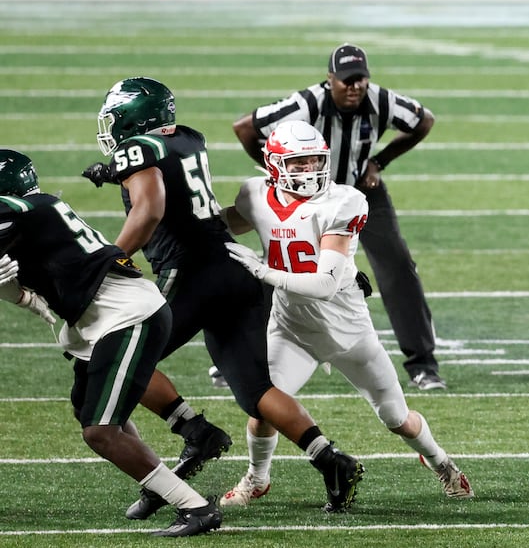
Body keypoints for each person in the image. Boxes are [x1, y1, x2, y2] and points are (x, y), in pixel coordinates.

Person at [88, 76, 365, 515]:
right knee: (256, 389)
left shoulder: (136, 149)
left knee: (114, 357)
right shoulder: (188, 138)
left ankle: (194, 431)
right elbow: (170, 176)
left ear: (133, 120)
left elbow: (150, 207)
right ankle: (330, 460)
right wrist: (114, 172)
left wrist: (110, 257)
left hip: (190, 271)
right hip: (235, 268)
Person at [218, 121, 473, 505]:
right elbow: (230, 222)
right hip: (292, 328)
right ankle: (257, 477)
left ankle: (441, 462)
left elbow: (325, 285)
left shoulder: (342, 200)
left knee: (397, 419)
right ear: (273, 165)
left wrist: (263, 271)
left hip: (348, 333)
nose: (309, 170)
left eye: (315, 161)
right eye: (298, 163)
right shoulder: (254, 193)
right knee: (263, 405)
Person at [0, 150, 220, 536]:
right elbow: (18, 284)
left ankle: (194, 507)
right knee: (87, 410)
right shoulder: (35, 213)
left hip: (127, 316)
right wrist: (21, 296)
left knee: (99, 430)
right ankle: (166, 485)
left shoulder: (23, 211)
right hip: (106, 317)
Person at [233, 44, 446, 391]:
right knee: (280, 266)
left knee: (398, 266)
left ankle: (423, 364)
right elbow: (245, 127)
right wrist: (276, 175)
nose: (354, 87)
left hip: (360, 191)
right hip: (307, 194)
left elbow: (424, 121)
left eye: (360, 79)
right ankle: (246, 353)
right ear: (330, 79)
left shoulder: (380, 99)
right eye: (346, 80)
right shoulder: (307, 103)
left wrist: (380, 160)